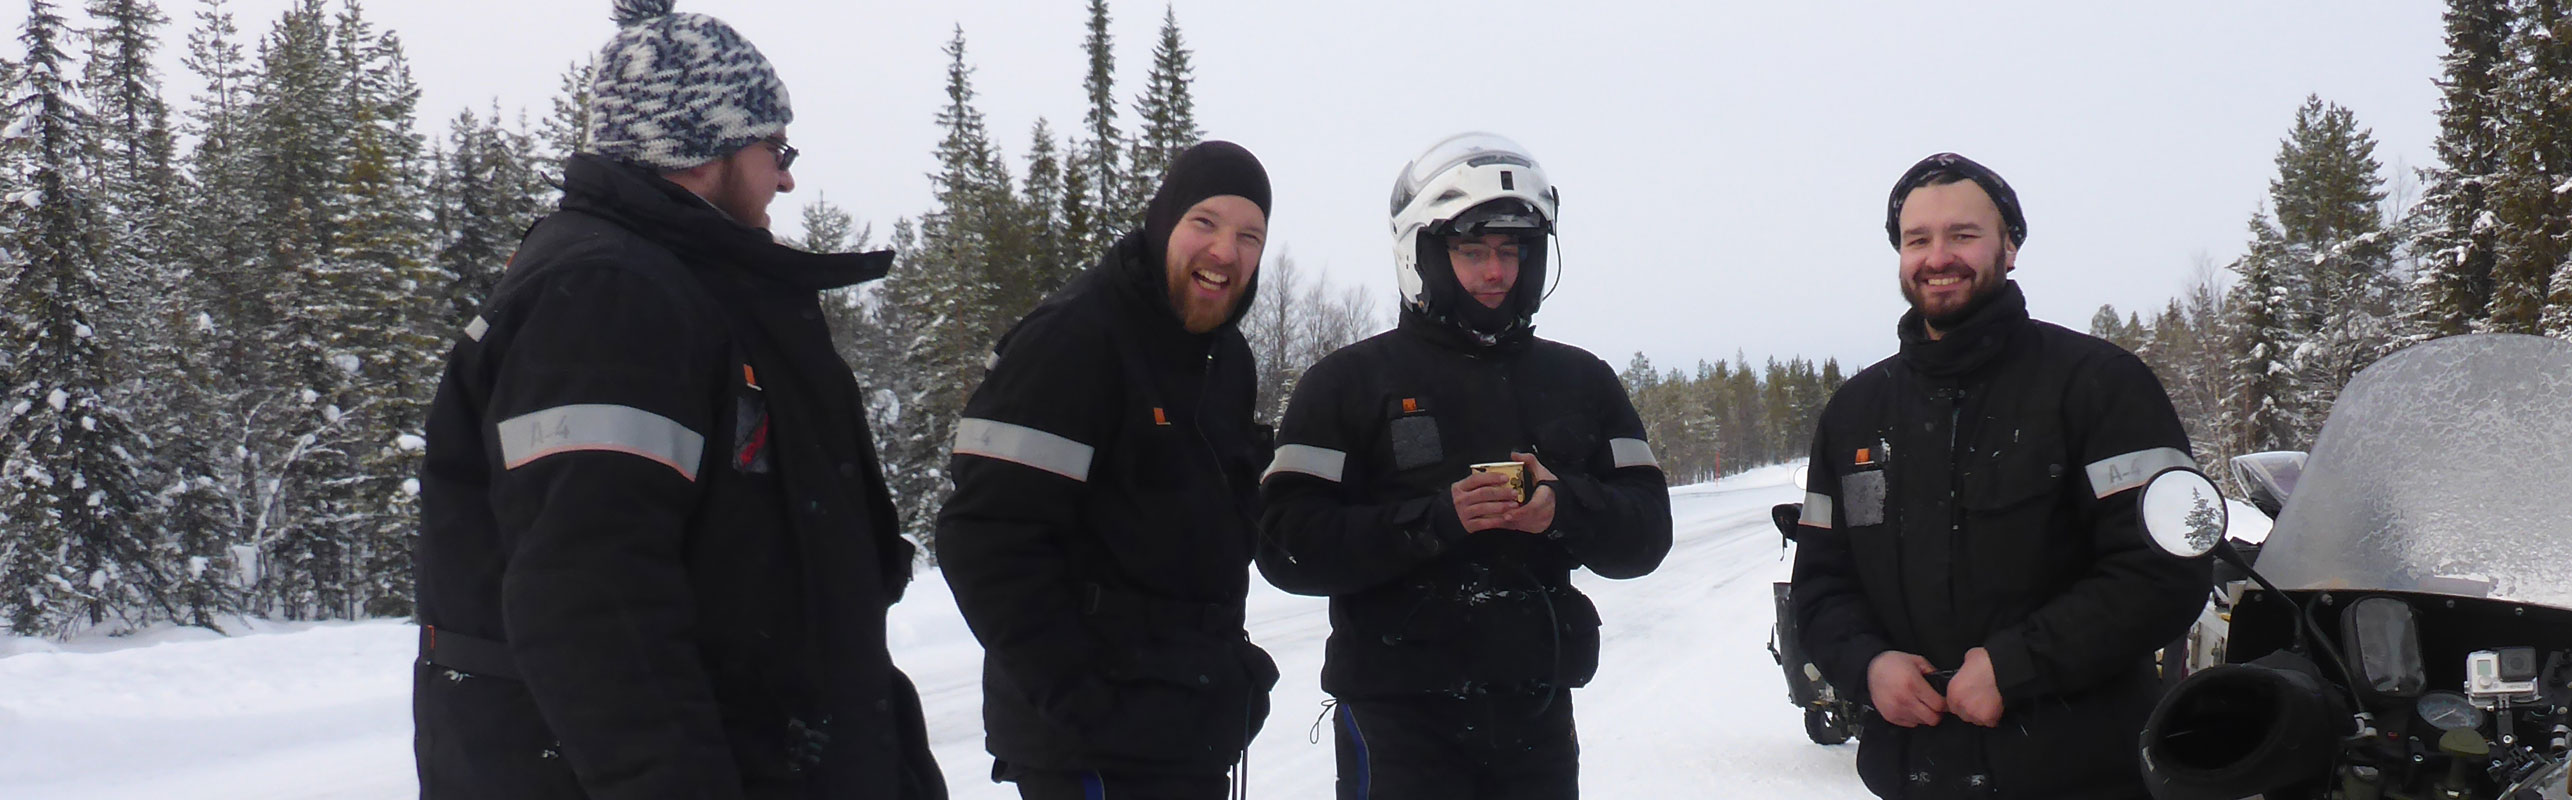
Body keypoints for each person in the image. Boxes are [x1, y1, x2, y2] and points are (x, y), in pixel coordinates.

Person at [411, 1, 941, 796]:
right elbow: (593, 602)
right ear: (702, 145)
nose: (787, 174)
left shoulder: (689, 291)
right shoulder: (609, 297)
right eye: (774, 146)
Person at [1256, 133, 1673, 799]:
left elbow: (1647, 533)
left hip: (1533, 720)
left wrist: (1566, 508)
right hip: (1396, 721)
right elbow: (1285, 546)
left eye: (1512, 251)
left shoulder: (1580, 380)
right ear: (1422, 252)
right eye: (1472, 249)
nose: (1495, 272)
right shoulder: (1347, 383)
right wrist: (1434, 521)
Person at [1788, 153, 2211, 798]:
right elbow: (1821, 584)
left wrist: (2015, 667)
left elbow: (2163, 571)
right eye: (1917, 239)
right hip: (1913, 772)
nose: (1938, 256)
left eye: (1963, 235)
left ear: (2009, 247)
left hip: (2083, 771)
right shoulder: (1856, 414)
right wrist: (1868, 665)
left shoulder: (2098, 385)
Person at [936, 141, 1280, 799]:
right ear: (1163, 222)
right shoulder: (1074, 339)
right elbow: (983, 537)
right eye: (1204, 223)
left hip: (1184, 728)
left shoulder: (1225, 360)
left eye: (1249, 235)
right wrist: (1087, 704)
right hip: (1090, 753)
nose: (1224, 252)